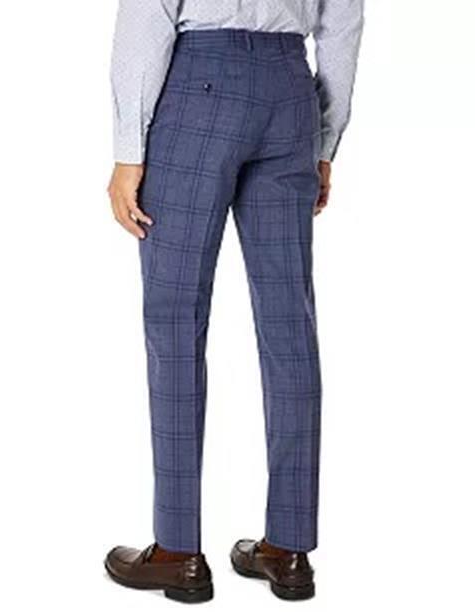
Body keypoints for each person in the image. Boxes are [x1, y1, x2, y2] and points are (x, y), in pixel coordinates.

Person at [105, 0, 364, 603]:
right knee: (289, 324)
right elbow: (343, 23)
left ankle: (178, 551)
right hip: (290, 95)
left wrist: (127, 150)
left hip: (200, 88)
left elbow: (148, 17)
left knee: (175, 318)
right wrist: (324, 141)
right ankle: (288, 549)